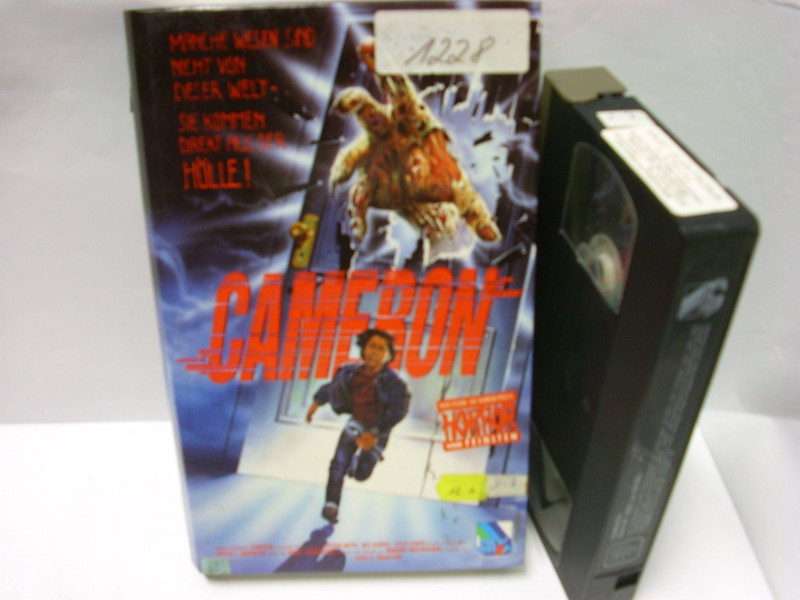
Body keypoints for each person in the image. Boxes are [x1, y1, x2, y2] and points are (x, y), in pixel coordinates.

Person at [305, 329, 410, 524]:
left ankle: (355, 466)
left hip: (379, 430)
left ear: (388, 355)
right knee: (338, 464)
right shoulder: (349, 373)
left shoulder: (394, 383)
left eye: (381, 348)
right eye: (372, 346)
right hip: (355, 425)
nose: (375, 352)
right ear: (363, 349)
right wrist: (314, 406)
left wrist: (375, 434)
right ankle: (331, 505)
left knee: (362, 475)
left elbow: (398, 410)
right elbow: (330, 388)